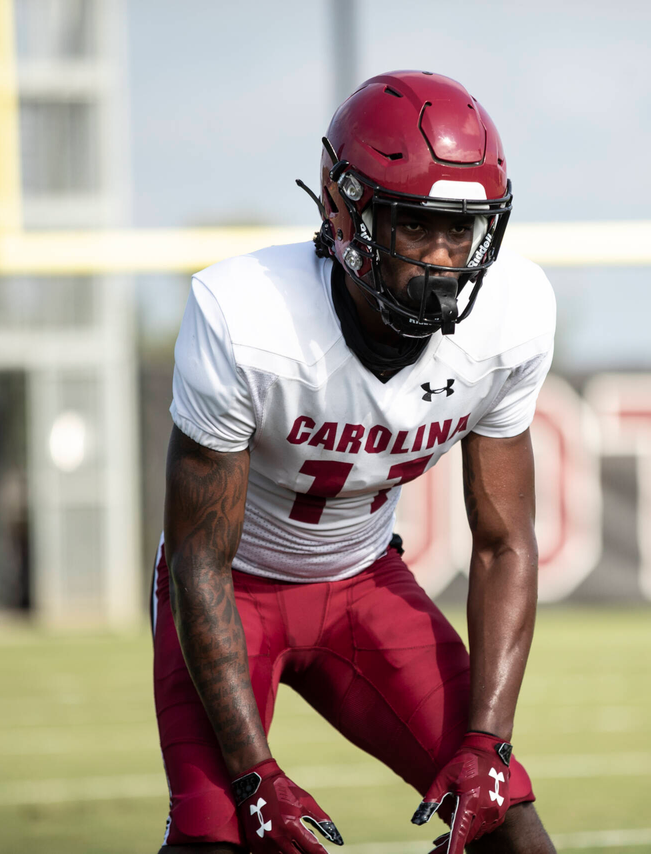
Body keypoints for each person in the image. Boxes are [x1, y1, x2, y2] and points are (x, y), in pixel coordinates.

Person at [152, 70, 556, 854]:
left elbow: (506, 542)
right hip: (231, 594)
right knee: (217, 833)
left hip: (363, 585)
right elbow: (199, 561)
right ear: (344, 211)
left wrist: (489, 745)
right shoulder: (249, 317)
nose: (444, 260)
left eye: (462, 231)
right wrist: (254, 776)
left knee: (503, 815)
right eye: (416, 226)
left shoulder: (511, 317)